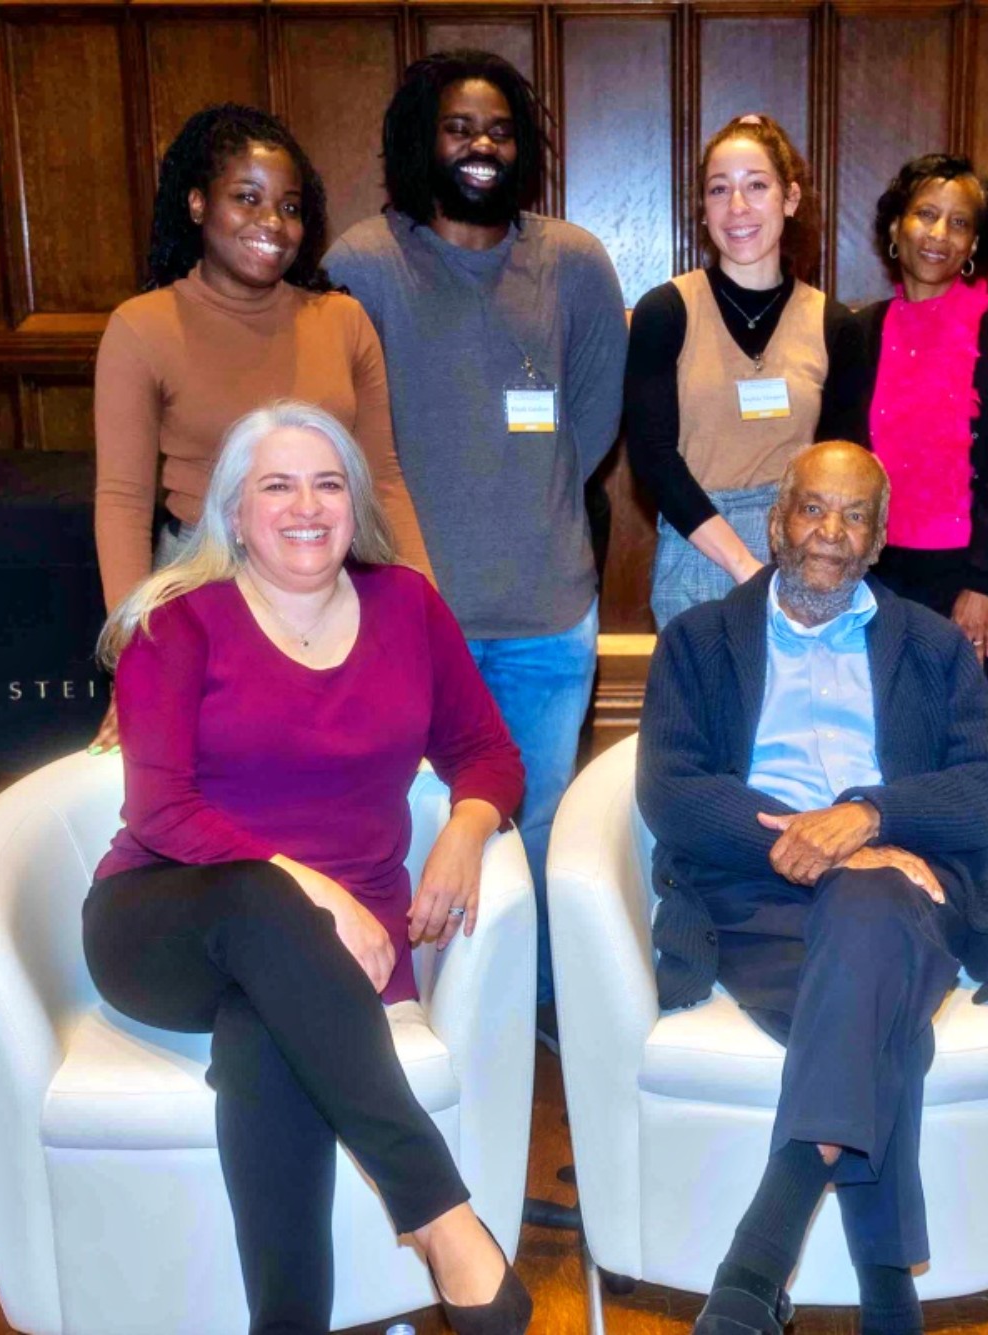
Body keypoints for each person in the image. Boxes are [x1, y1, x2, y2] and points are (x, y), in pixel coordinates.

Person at [85, 402, 533, 1335]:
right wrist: (315, 889)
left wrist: (464, 827)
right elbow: (160, 811)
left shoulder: (410, 605)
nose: (306, 506)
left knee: (265, 1031)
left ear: (356, 502)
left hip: (326, 958)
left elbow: (489, 751)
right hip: (165, 918)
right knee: (262, 906)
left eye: (329, 483)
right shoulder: (175, 621)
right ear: (234, 511)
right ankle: (448, 1224)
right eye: (276, 485)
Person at [638, 441, 988, 1335]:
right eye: (813, 509)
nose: (831, 534)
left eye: (855, 517)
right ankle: (888, 1292)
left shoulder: (929, 647)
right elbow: (672, 789)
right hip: (752, 897)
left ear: (881, 539)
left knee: (873, 913)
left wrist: (870, 816)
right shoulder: (698, 641)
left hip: (901, 890)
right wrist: (814, 839)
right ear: (776, 523)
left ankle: (753, 1265)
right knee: (875, 1016)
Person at [324, 51, 627, 1018]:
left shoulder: (573, 262)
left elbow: (591, 415)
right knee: (412, 822)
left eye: (499, 129)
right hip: (406, 619)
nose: (482, 146)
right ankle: (434, 1001)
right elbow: (343, 433)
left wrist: (519, 506)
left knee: (534, 825)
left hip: (547, 613)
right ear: (423, 139)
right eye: (459, 128)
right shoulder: (361, 264)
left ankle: (531, 1008)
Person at [92, 103, 431, 749]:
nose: (272, 223)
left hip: (331, 573)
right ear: (197, 204)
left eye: (290, 206)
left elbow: (383, 479)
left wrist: (423, 613)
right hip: (201, 579)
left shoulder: (343, 320)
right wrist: (133, 658)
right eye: (247, 198)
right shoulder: (141, 327)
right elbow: (122, 502)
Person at [625, 114, 857, 629]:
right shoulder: (666, 312)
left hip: (808, 552)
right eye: (718, 189)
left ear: (790, 199)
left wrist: (795, 562)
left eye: (756, 185)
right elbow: (653, 457)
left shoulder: (835, 324)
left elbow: (846, 466)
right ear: (702, 211)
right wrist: (744, 565)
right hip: (698, 548)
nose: (737, 207)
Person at [828, 153, 988, 700]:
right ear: (897, 226)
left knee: (961, 743)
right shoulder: (860, 332)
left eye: (960, 222)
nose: (939, 233)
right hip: (876, 579)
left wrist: (983, 584)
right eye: (926, 214)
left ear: (974, 245)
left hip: (974, 581)